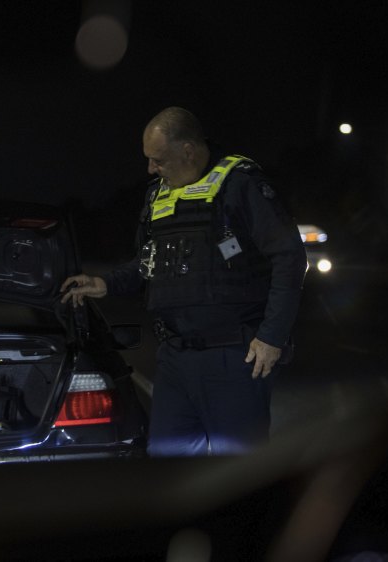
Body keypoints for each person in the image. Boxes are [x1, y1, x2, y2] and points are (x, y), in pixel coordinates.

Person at [61, 107, 307, 456]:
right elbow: (148, 262)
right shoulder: (157, 195)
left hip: (234, 356)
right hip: (175, 360)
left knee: (235, 474)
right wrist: (106, 283)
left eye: (158, 160)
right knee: (169, 468)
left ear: (188, 150)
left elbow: (290, 256)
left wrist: (272, 335)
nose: (150, 169)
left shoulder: (240, 183)